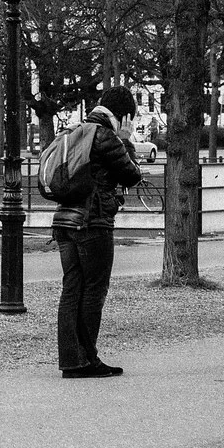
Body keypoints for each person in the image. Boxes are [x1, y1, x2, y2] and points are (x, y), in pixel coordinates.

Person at [52, 86, 142, 379]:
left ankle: (71, 360)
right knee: (94, 290)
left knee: (72, 290)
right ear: (124, 116)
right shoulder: (106, 136)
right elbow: (132, 175)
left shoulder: (76, 131)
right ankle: (88, 359)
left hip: (64, 221)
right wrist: (126, 140)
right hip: (92, 222)